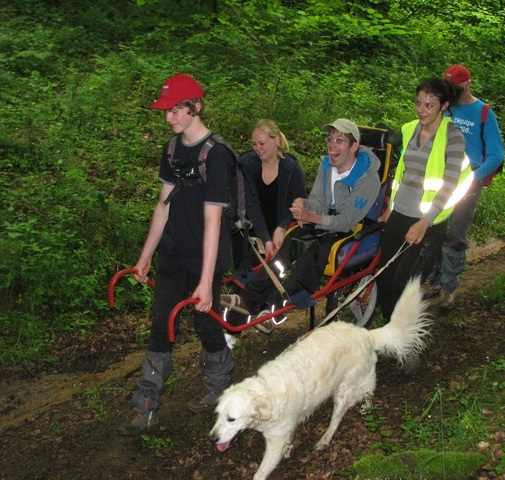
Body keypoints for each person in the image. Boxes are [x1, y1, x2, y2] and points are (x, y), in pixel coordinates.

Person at [117, 74, 237, 436]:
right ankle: (147, 408)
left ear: (195, 107)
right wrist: (145, 256)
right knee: (160, 327)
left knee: (206, 323)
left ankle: (220, 390)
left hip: (206, 257)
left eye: (175, 110)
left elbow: (213, 221)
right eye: (166, 110)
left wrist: (205, 281)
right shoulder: (171, 148)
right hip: (171, 253)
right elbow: (163, 205)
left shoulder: (216, 155)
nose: (168, 116)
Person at [222, 118, 381, 333]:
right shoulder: (327, 166)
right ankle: (246, 300)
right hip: (323, 222)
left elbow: (346, 221)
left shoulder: (366, 178)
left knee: (309, 257)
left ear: (354, 147)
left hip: (349, 229)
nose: (332, 144)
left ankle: (274, 307)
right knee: (286, 248)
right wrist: (303, 205)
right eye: (330, 139)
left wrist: (313, 217)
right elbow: (319, 203)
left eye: (340, 141)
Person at [376, 77, 473, 324]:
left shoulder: (453, 136)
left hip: (428, 222)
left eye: (429, 105)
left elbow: (450, 183)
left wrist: (425, 222)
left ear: (444, 105)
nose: (421, 109)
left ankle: (408, 343)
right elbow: (401, 173)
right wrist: (390, 206)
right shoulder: (409, 128)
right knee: (384, 280)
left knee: (404, 285)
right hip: (399, 214)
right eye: (418, 103)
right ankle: (391, 333)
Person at [427, 64, 505, 308]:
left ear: (468, 84)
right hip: (439, 178)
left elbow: (496, 154)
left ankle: (448, 288)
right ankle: (434, 280)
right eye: (448, 87)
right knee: (432, 229)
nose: (451, 92)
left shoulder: (483, 112)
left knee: (455, 235)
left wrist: (474, 177)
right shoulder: (445, 107)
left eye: (456, 88)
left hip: (467, 181)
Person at [231, 119, 306, 270]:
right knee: (246, 271)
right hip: (251, 229)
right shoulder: (247, 165)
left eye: (262, 143)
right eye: (254, 144)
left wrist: (282, 227)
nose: (258, 148)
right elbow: (252, 206)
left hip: (280, 230)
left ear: (276, 140)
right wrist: (265, 238)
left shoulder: (291, 169)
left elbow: (299, 205)